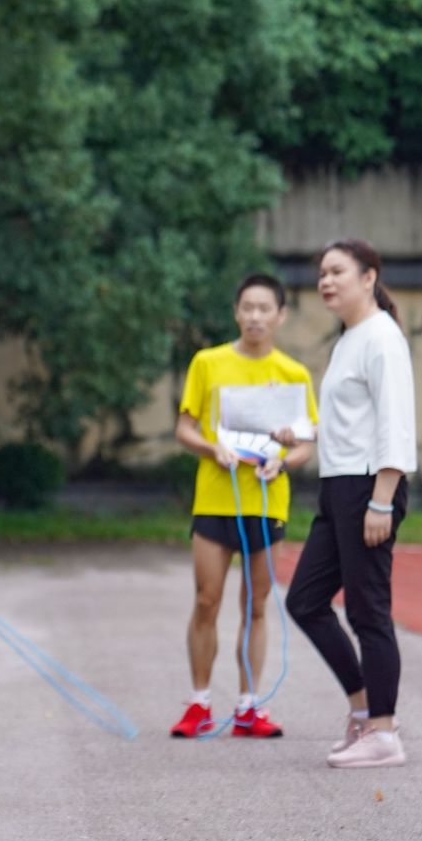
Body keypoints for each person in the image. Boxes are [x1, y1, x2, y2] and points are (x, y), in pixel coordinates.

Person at [277, 239, 417, 769]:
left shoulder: (382, 337)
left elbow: (394, 422)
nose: (326, 281)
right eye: (321, 274)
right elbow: (348, 416)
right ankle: (363, 710)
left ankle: (384, 732)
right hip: (337, 488)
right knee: (305, 601)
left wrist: (382, 500)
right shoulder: (350, 338)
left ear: (368, 276)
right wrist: (302, 430)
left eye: (337, 271)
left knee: (367, 611)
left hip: (367, 488)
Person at [170, 274, 318, 739]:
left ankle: (249, 707)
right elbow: (185, 428)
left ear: (280, 315)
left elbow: (306, 443)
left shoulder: (293, 374)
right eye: (247, 307)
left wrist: (284, 459)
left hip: (266, 502)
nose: (255, 316)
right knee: (206, 600)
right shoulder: (208, 363)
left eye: (264, 308)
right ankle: (199, 704)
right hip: (216, 499)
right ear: (236, 311)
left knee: (255, 606)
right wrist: (213, 449)